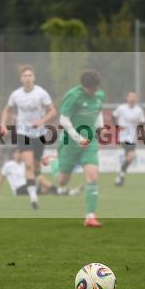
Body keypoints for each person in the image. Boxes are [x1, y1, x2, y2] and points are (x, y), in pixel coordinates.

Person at [0, 65, 56, 210]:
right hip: (23, 132)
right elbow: (7, 109)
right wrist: (3, 124)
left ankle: (36, 178)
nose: (28, 78)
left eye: (30, 75)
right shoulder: (16, 95)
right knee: (28, 164)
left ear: (34, 78)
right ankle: (33, 198)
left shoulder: (41, 93)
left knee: (36, 167)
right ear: (21, 79)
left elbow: (53, 111)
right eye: (25, 76)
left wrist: (42, 121)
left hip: (40, 134)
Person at [57, 69, 105, 227]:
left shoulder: (99, 95)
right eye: (92, 89)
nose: (95, 91)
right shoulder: (73, 96)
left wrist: (100, 128)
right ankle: (53, 162)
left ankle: (90, 217)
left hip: (89, 142)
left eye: (96, 88)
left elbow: (98, 111)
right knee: (62, 181)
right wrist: (78, 138)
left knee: (93, 176)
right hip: (70, 143)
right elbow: (63, 120)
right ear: (84, 86)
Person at [112, 91, 145, 187]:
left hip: (133, 137)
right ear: (127, 98)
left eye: (134, 97)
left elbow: (143, 122)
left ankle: (121, 175)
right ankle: (121, 175)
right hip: (123, 136)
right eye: (130, 97)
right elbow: (113, 116)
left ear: (136, 99)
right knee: (131, 155)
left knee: (130, 157)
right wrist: (117, 126)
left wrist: (139, 123)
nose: (132, 98)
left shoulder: (139, 110)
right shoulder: (121, 108)